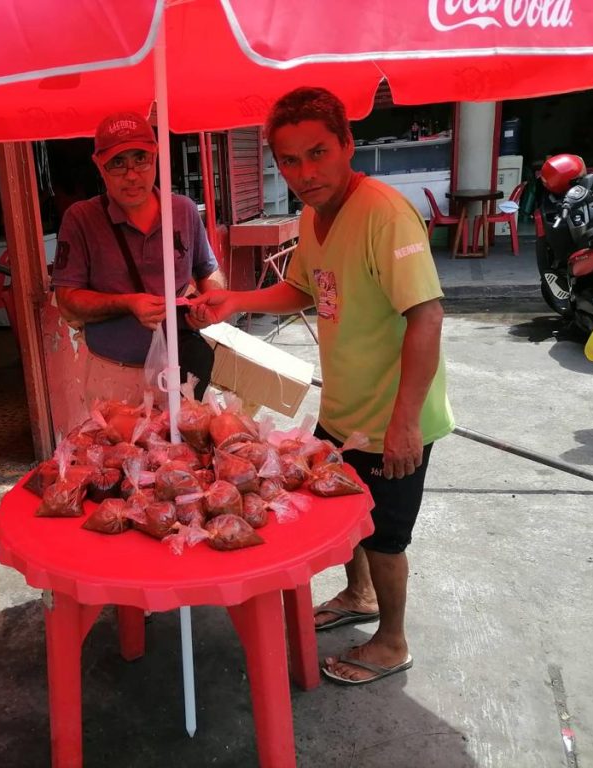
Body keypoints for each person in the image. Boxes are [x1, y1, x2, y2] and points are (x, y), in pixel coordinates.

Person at [190, 87, 454, 685]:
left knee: (386, 534)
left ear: (347, 146)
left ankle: (391, 640)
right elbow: (305, 289)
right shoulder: (314, 217)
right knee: (345, 509)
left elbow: (427, 315)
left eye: (317, 153)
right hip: (345, 404)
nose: (305, 173)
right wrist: (235, 300)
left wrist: (405, 422)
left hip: (394, 413)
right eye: (289, 160)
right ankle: (358, 597)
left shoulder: (384, 214)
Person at [52, 111, 224, 407]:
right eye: (118, 163)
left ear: (156, 156)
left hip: (181, 372)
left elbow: (210, 272)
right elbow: (67, 298)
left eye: (140, 159)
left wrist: (209, 304)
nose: (131, 174)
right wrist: (128, 303)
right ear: (99, 165)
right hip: (113, 378)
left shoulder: (182, 211)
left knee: (183, 453)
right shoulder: (81, 219)